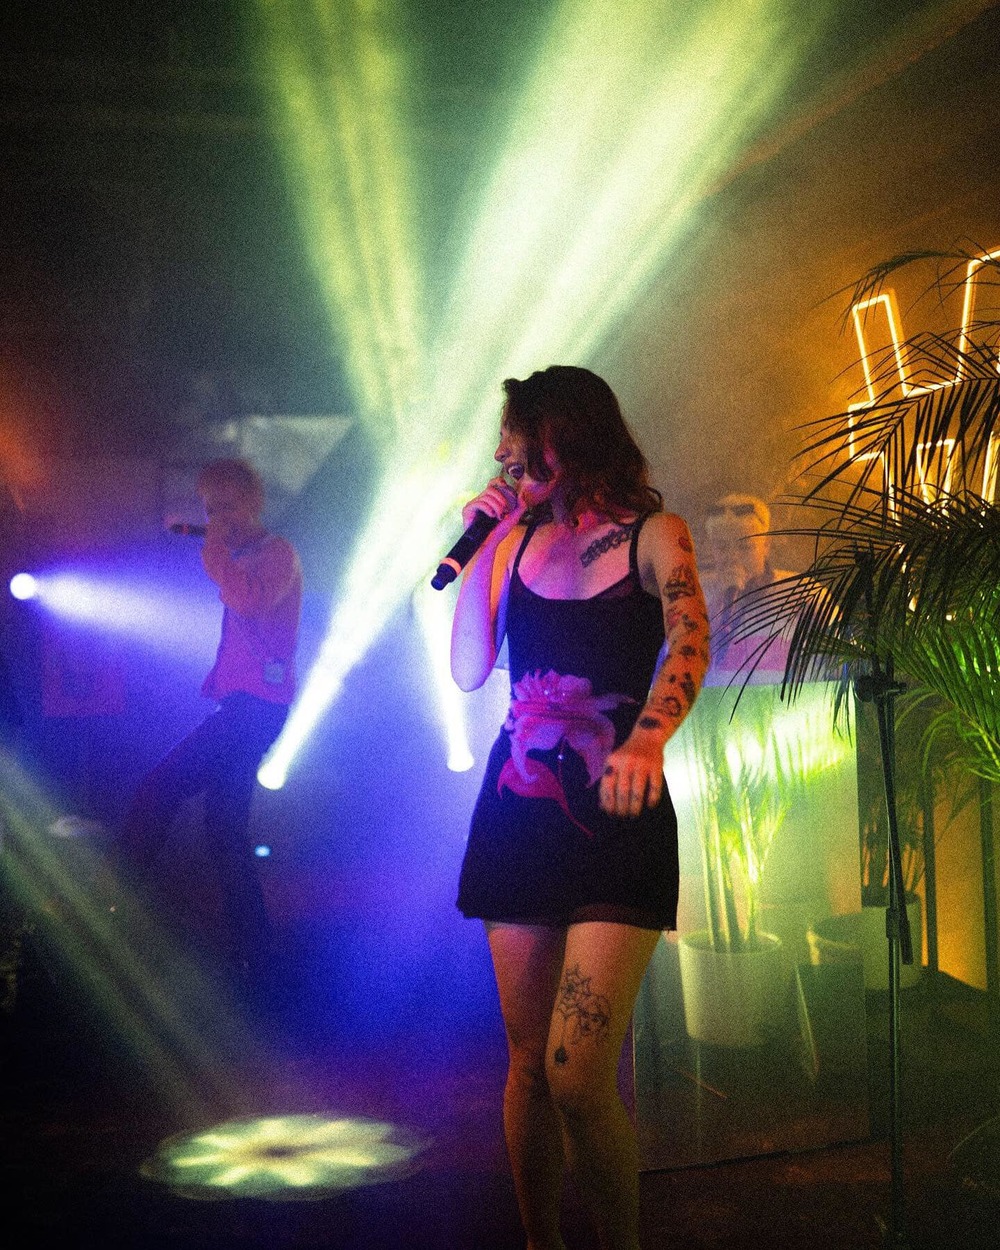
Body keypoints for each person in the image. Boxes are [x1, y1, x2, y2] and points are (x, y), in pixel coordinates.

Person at [450, 367, 709, 1250]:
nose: (502, 452)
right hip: (518, 814)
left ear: (566, 437)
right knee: (528, 1063)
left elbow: (690, 636)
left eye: (519, 436)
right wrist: (485, 538)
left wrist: (647, 736)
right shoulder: (511, 542)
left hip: (616, 816)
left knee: (576, 1072)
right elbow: (467, 670)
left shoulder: (654, 535)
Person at [119, 458, 302, 987]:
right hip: (243, 707)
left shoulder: (277, 553)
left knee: (159, 789)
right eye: (209, 508)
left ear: (253, 502)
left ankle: (106, 908)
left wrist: (215, 549)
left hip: (256, 710)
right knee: (224, 830)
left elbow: (248, 601)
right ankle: (257, 955)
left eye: (226, 505)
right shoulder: (241, 557)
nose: (216, 517)